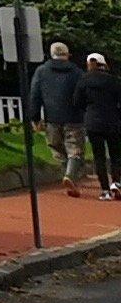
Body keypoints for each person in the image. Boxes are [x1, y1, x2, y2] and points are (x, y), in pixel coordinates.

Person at [29, 37, 87, 184]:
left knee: (56, 147)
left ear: (51, 54)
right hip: (75, 117)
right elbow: (84, 95)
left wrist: (35, 117)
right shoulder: (77, 72)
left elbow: (35, 95)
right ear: (67, 54)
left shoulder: (41, 71)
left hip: (52, 118)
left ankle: (67, 173)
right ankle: (70, 175)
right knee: (75, 148)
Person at [79, 51, 121, 202]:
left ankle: (104, 190)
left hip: (93, 122)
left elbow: (77, 101)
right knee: (115, 154)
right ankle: (116, 182)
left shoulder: (84, 81)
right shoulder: (113, 80)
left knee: (99, 156)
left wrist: (88, 110)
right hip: (112, 121)